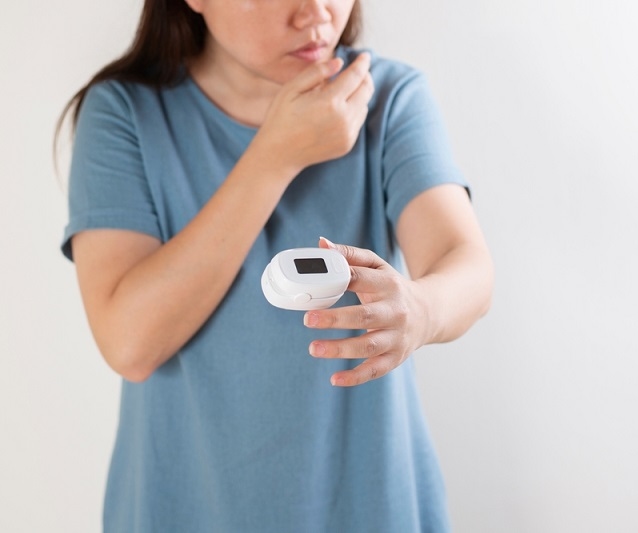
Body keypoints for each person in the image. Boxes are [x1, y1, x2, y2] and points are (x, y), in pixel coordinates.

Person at [58, 0, 493, 531]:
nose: (315, 13)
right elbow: (129, 343)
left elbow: (465, 264)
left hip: (370, 509)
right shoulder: (124, 113)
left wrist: (422, 309)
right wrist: (276, 154)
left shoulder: (386, 97)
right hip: (183, 511)